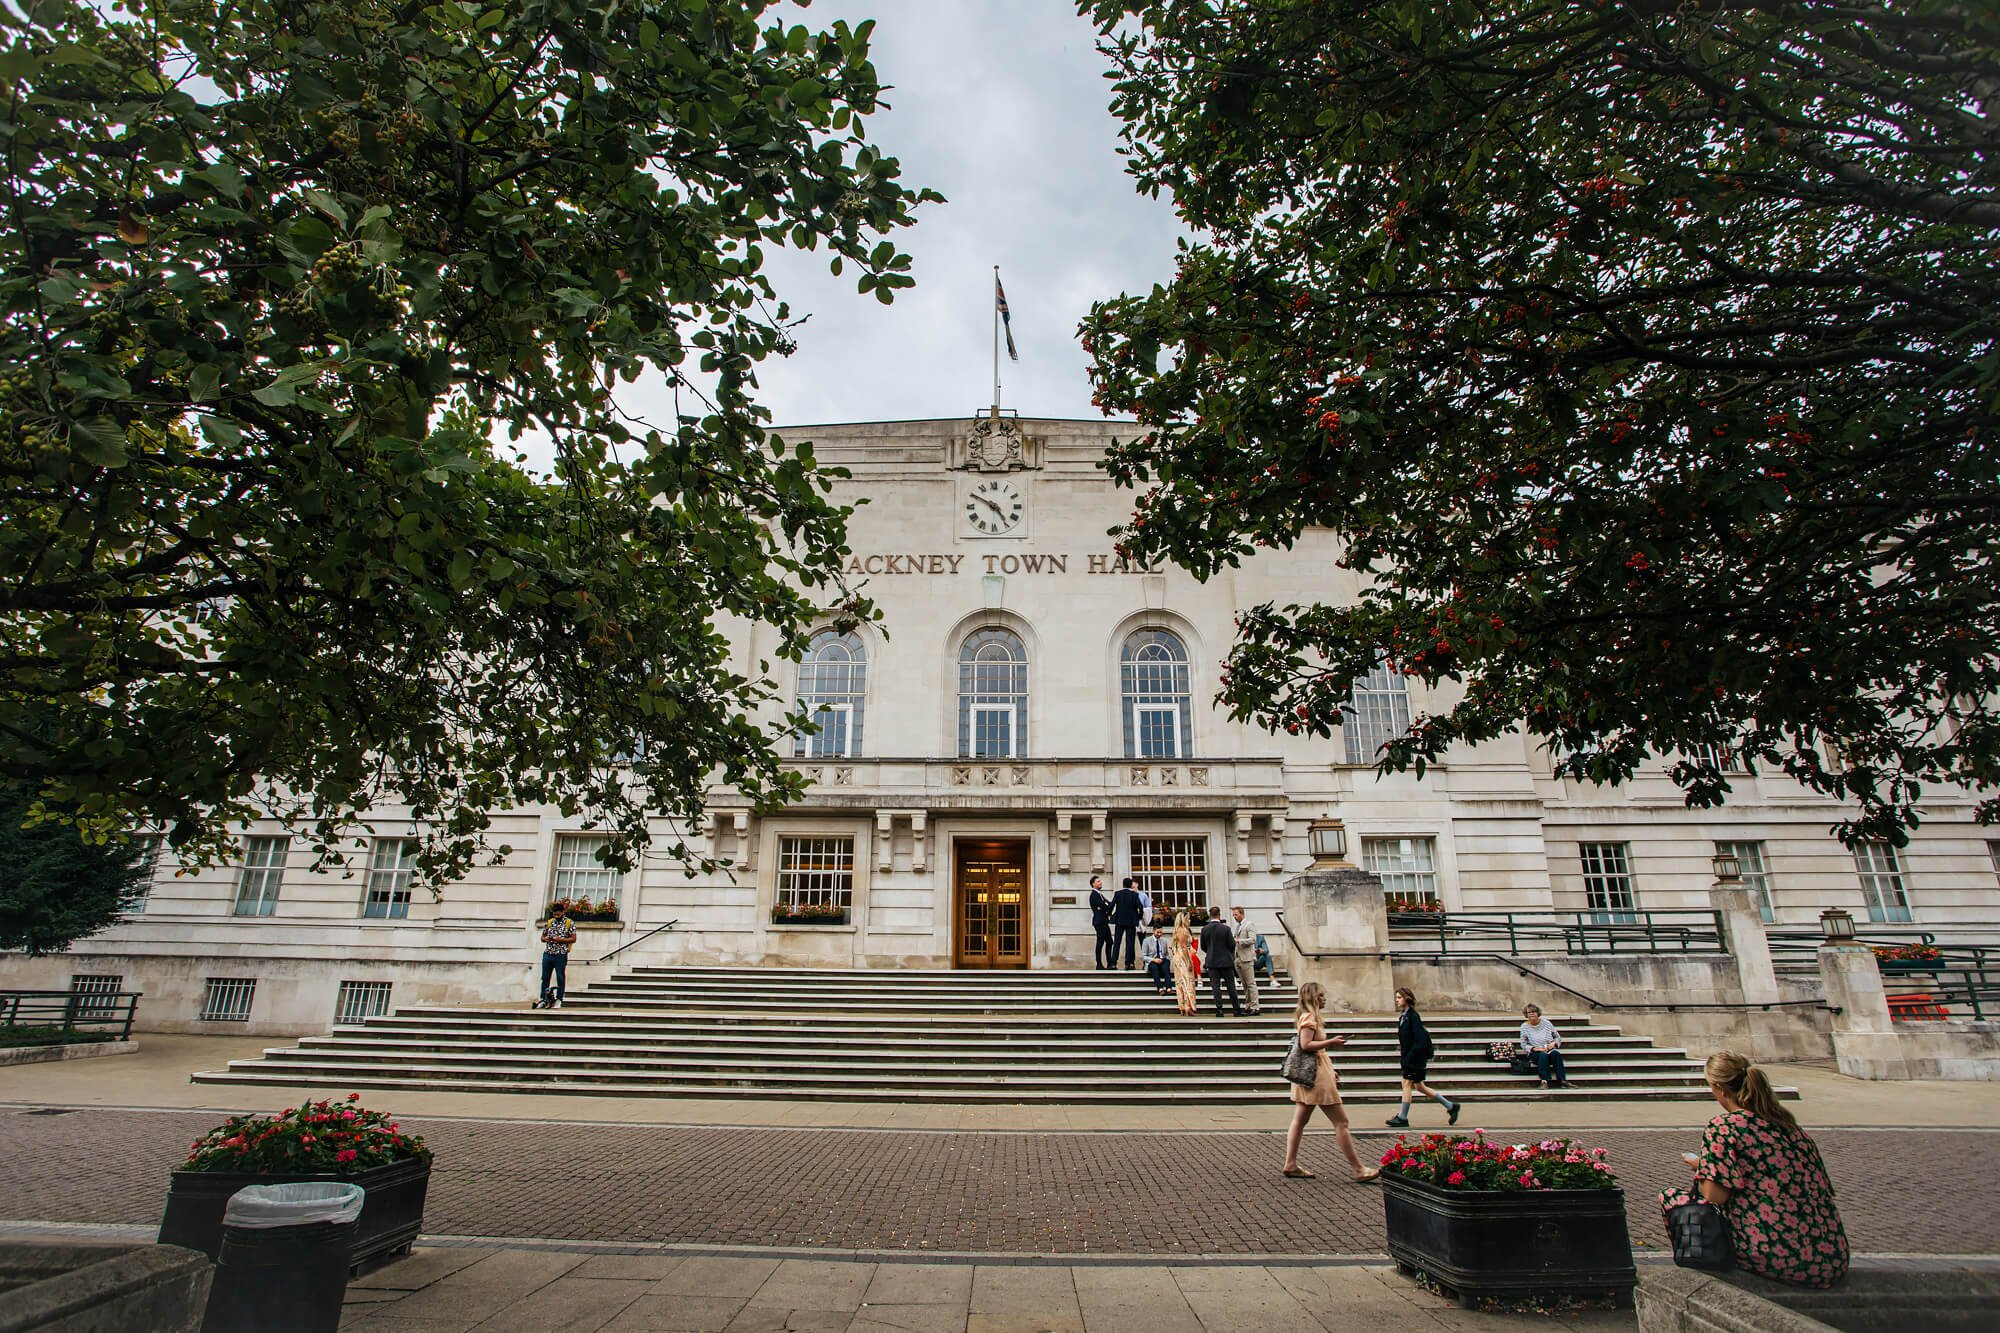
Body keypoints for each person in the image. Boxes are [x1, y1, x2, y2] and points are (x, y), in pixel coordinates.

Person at [1659, 1052, 1849, 1288]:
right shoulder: (1790, 1127)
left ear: (1719, 1088)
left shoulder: (1723, 1127)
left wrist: (1705, 1166)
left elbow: (1715, 1196)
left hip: (1778, 1255)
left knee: (1671, 1198)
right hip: (1832, 1257)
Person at [1281, 981, 1381, 1183]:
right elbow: (1306, 1044)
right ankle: (1359, 1169)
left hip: (1315, 1071)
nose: (1325, 999)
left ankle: (1290, 1163)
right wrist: (1332, 1042)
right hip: (1316, 1075)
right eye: (1321, 996)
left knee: (1299, 1121)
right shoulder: (1310, 1018)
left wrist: (1331, 1068)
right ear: (1313, 998)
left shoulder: (1308, 1016)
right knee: (1341, 1122)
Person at [1386, 987, 1459, 1128]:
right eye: (1396, 998)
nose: (1397, 1000)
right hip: (1410, 1056)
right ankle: (1451, 1106)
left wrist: (1410, 1057)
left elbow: (1419, 1040)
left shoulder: (1413, 1016)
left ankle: (1402, 1117)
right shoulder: (1404, 1016)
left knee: (1406, 1084)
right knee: (1419, 1086)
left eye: (1399, 997)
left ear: (1406, 998)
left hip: (1414, 1058)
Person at [1199, 907, 1244, 1017]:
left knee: (1215, 986)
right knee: (1231, 986)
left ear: (1210, 915)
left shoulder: (1205, 929)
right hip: (1226, 961)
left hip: (1212, 961)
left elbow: (1203, 946)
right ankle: (1236, 1010)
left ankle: (1219, 1009)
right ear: (1219, 915)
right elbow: (1232, 945)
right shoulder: (1226, 929)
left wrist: (1210, 952)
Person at [1518, 1004, 1569, 1088]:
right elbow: (1523, 1044)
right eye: (1529, 1012)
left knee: (1556, 1054)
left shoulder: (1547, 1023)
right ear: (1526, 1014)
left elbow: (1557, 1037)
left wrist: (1553, 1043)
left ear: (1538, 1013)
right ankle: (1544, 1081)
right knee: (1543, 1055)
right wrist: (1535, 1048)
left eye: (1534, 1012)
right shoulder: (1524, 1027)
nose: (1531, 1014)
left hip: (1549, 1049)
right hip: (1536, 1053)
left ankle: (1562, 1080)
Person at [537, 906, 577, 1009]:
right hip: (548, 953)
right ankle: (543, 998)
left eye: (558, 914)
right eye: (555, 914)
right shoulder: (550, 922)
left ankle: (559, 998)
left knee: (560, 977)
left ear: (563, 912)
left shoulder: (569, 923)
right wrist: (546, 938)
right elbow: (542, 937)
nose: (556, 916)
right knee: (545, 977)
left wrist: (560, 940)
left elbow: (573, 938)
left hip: (561, 954)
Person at [1230, 906, 1262, 1015]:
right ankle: (1248, 1005)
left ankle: (1255, 1006)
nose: (1234, 917)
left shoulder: (1249, 924)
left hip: (1247, 958)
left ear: (1241, 914)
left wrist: (1239, 940)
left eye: (1236, 914)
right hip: (1238, 958)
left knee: (1250, 983)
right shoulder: (1238, 926)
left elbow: (1253, 940)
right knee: (1244, 984)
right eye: (1233, 915)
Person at [1110, 876, 1144, 970]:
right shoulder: (1134, 895)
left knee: (1117, 942)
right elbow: (1140, 907)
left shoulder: (1118, 894)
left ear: (1123, 884)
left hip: (1119, 920)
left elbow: (1112, 905)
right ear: (1130, 885)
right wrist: (1139, 916)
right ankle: (1129, 963)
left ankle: (1113, 963)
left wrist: (1109, 914)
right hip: (1131, 921)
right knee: (1130, 943)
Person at [1169, 912, 1199, 1016]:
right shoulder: (1183, 931)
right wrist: (1189, 962)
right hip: (1183, 958)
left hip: (1178, 957)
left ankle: (1182, 1005)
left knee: (1180, 982)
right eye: (1188, 919)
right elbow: (1184, 947)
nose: (1190, 921)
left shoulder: (1178, 931)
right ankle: (1188, 1006)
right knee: (1187, 982)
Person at [1088, 875, 1114, 970]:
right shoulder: (1094, 895)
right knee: (1100, 942)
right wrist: (1105, 906)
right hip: (1099, 921)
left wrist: (1105, 906)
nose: (1101, 882)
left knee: (1110, 942)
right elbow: (1105, 906)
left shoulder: (1100, 894)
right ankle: (1099, 964)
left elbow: (1109, 904)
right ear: (1093, 884)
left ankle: (1109, 963)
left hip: (1103, 921)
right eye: (1098, 881)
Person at [1140, 925, 1173, 994]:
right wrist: (1153, 960)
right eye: (1158, 932)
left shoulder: (1164, 940)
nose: (1159, 934)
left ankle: (1169, 988)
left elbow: (1166, 953)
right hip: (1152, 961)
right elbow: (1143, 956)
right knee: (1154, 968)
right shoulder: (1146, 941)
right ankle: (1160, 988)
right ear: (1153, 931)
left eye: (1161, 932)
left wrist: (1167, 959)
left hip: (1162, 959)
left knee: (1166, 968)